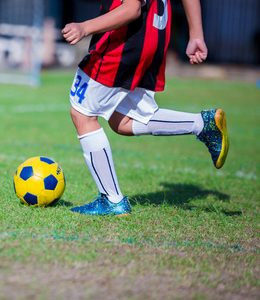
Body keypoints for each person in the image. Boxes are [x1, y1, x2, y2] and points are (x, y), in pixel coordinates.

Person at [62, 0, 229, 216]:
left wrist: (84, 27)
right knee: (122, 120)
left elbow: (131, 8)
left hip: (125, 41)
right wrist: (196, 34)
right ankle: (202, 124)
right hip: (152, 37)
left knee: (82, 114)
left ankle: (112, 201)